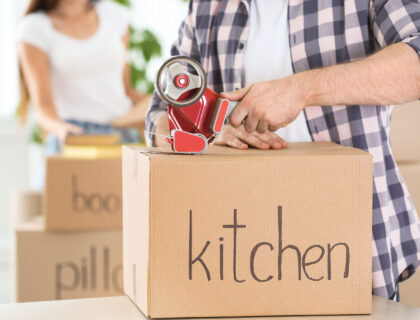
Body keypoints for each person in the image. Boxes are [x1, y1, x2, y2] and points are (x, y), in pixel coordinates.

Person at [146, 0, 420, 301]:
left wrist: (301, 89)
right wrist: (202, 133)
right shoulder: (207, 7)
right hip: (234, 252)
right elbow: (160, 114)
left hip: (347, 246)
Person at [17, 0, 144, 153]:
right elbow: (43, 106)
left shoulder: (114, 15)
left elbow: (126, 90)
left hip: (123, 132)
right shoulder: (34, 28)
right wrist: (61, 130)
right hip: (73, 135)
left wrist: (160, 104)